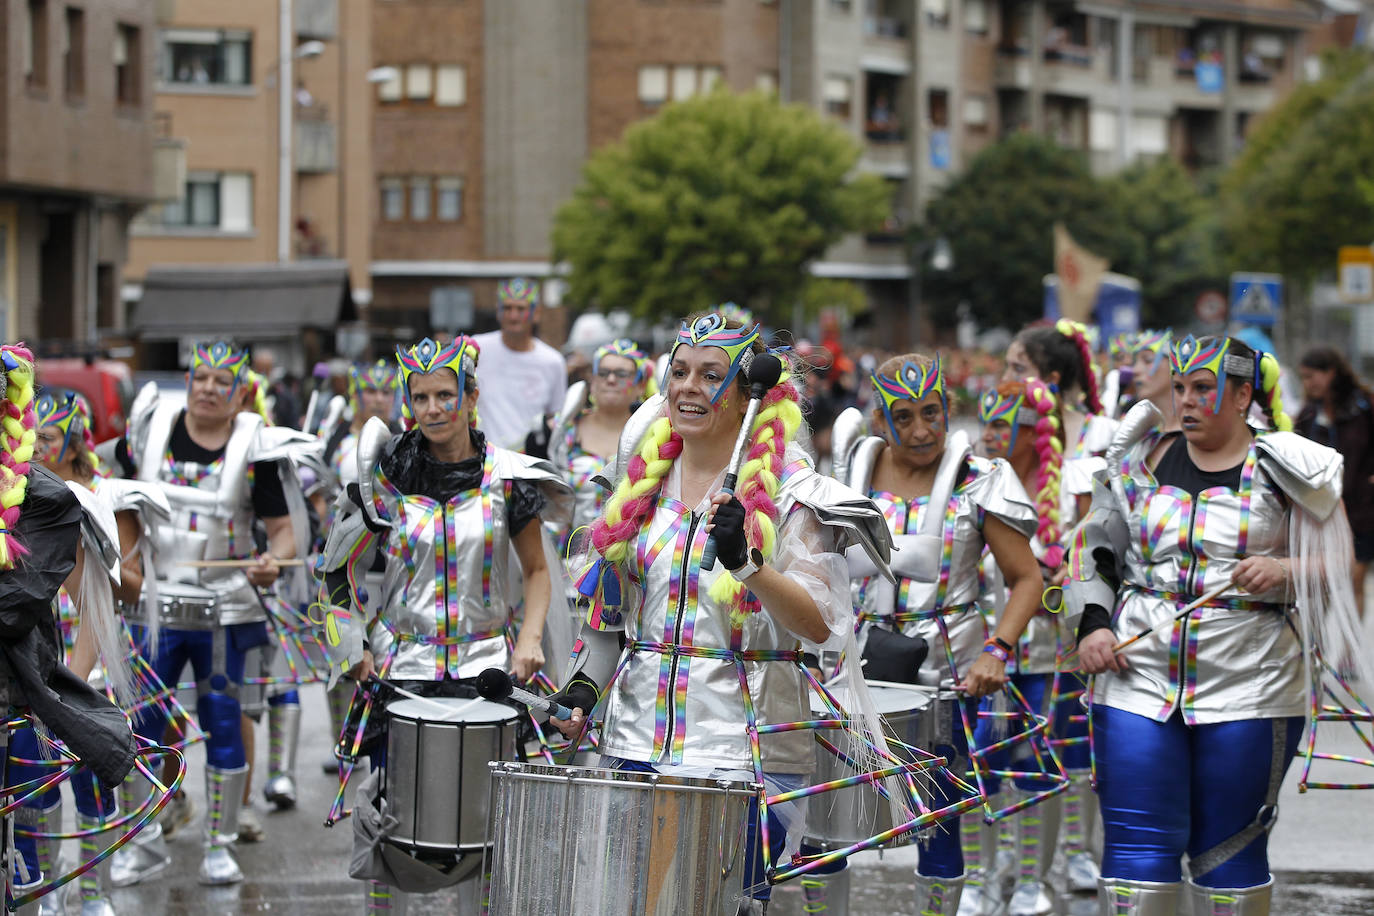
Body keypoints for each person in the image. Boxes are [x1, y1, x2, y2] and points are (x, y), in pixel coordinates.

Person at [551, 313, 904, 914]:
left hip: (745, 757)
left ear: (749, 397)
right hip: (635, 746)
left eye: (710, 375)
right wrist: (583, 690)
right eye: (679, 372)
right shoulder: (639, 487)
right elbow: (610, 629)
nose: (688, 387)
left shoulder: (795, 492)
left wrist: (750, 567)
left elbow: (821, 624)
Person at [1068, 335, 1366, 915]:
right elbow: (1094, 550)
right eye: (1180, 388)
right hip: (1138, 678)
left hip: (1253, 685)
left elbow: (1340, 562)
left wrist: (1283, 568)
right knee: (1135, 852)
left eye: (1203, 389)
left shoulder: (1290, 465)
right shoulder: (1140, 457)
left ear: (1241, 394)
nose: (1187, 402)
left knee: (1228, 853)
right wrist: (1094, 627)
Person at [316, 335, 572, 915]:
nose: (433, 408)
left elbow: (536, 572)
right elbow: (333, 570)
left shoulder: (510, 478)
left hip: (486, 671)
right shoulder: (382, 478)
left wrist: (530, 639)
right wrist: (348, 647)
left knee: (486, 827)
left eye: (444, 394)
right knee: (388, 820)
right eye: (421, 397)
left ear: (470, 396)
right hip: (403, 670)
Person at [820, 355, 1045, 916]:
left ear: (948, 410)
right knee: (825, 822)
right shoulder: (848, 477)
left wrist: (998, 651)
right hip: (853, 667)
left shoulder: (981, 481)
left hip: (948, 672)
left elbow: (1027, 579)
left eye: (932, 413)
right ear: (879, 420)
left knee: (942, 821)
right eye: (904, 416)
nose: (921, 430)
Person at [112, 340, 313, 886]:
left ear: (241, 391)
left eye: (220, 381)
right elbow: (123, 506)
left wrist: (273, 558)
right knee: (141, 726)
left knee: (225, 723)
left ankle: (219, 844)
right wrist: (127, 573)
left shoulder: (256, 446)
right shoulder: (149, 432)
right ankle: (143, 839)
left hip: (229, 610)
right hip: (154, 607)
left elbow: (280, 529)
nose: (207, 388)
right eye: (200, 377)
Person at [33, 390, 201, 912]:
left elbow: (131, 586)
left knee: (90, 780)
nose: (36, 447)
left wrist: (94, 555)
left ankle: (92, 893)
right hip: (37, 654)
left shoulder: (107, 496)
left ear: (75, 441)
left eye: (49, 437)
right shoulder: (19, 494)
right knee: (35, 786)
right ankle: (44, 889)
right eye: (30, 436)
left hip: (95, 655)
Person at [0, 348, 138, 912]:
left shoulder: (49, 500)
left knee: (25, 852)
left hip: (18, 697)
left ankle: (89, 890)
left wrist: (69, 689)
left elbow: (20, 607)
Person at [999, 319, 1113, 902]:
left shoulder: (1102, 436)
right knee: (1015, 745)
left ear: (1051, 377)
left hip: (1078, 619)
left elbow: (1112, 531)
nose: (1007, 379)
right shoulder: (1007, 431)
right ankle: (1016, 861)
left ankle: (1077, 852)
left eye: (1018, 368)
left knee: (1076, 740)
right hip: (1017, 616)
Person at [312, 360, 401, 773]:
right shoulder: (336, 441)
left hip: (387, 561)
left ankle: (376, 736)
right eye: (371, 391)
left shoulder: (403, 441)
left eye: (386, 391)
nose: (379, 398)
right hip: (339, 558)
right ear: (357, 394)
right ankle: (342, 741)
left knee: (380, 653)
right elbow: (315, 487)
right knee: (340, 649)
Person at [547, 338, 652, 557]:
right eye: (603, 373)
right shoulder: (563, 431)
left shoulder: (651, 436)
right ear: (592, 381)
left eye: (622, 374)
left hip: (629, 563)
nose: (611, 379)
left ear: (640, 385)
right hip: (567, 564)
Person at [1295, 346, 1374, 621]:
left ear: (1331, 373)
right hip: (1321, 511)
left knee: (1355, 579)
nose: (1308, 384)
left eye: (1312, 376)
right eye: (1303, 378)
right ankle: (1314, 652)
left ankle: (1349, 659)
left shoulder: (1364, 406)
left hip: (1361, 510)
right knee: (1320, 584)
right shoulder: (1307, 415)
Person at [473, 278, 568, 450]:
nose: (513, 315)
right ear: (498, 312)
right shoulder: (476, 349)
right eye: (507, 308)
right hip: (482, 457)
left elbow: (556, 418)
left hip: (528, 463)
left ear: (536, 313)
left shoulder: (552, 361)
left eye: (521, 309)